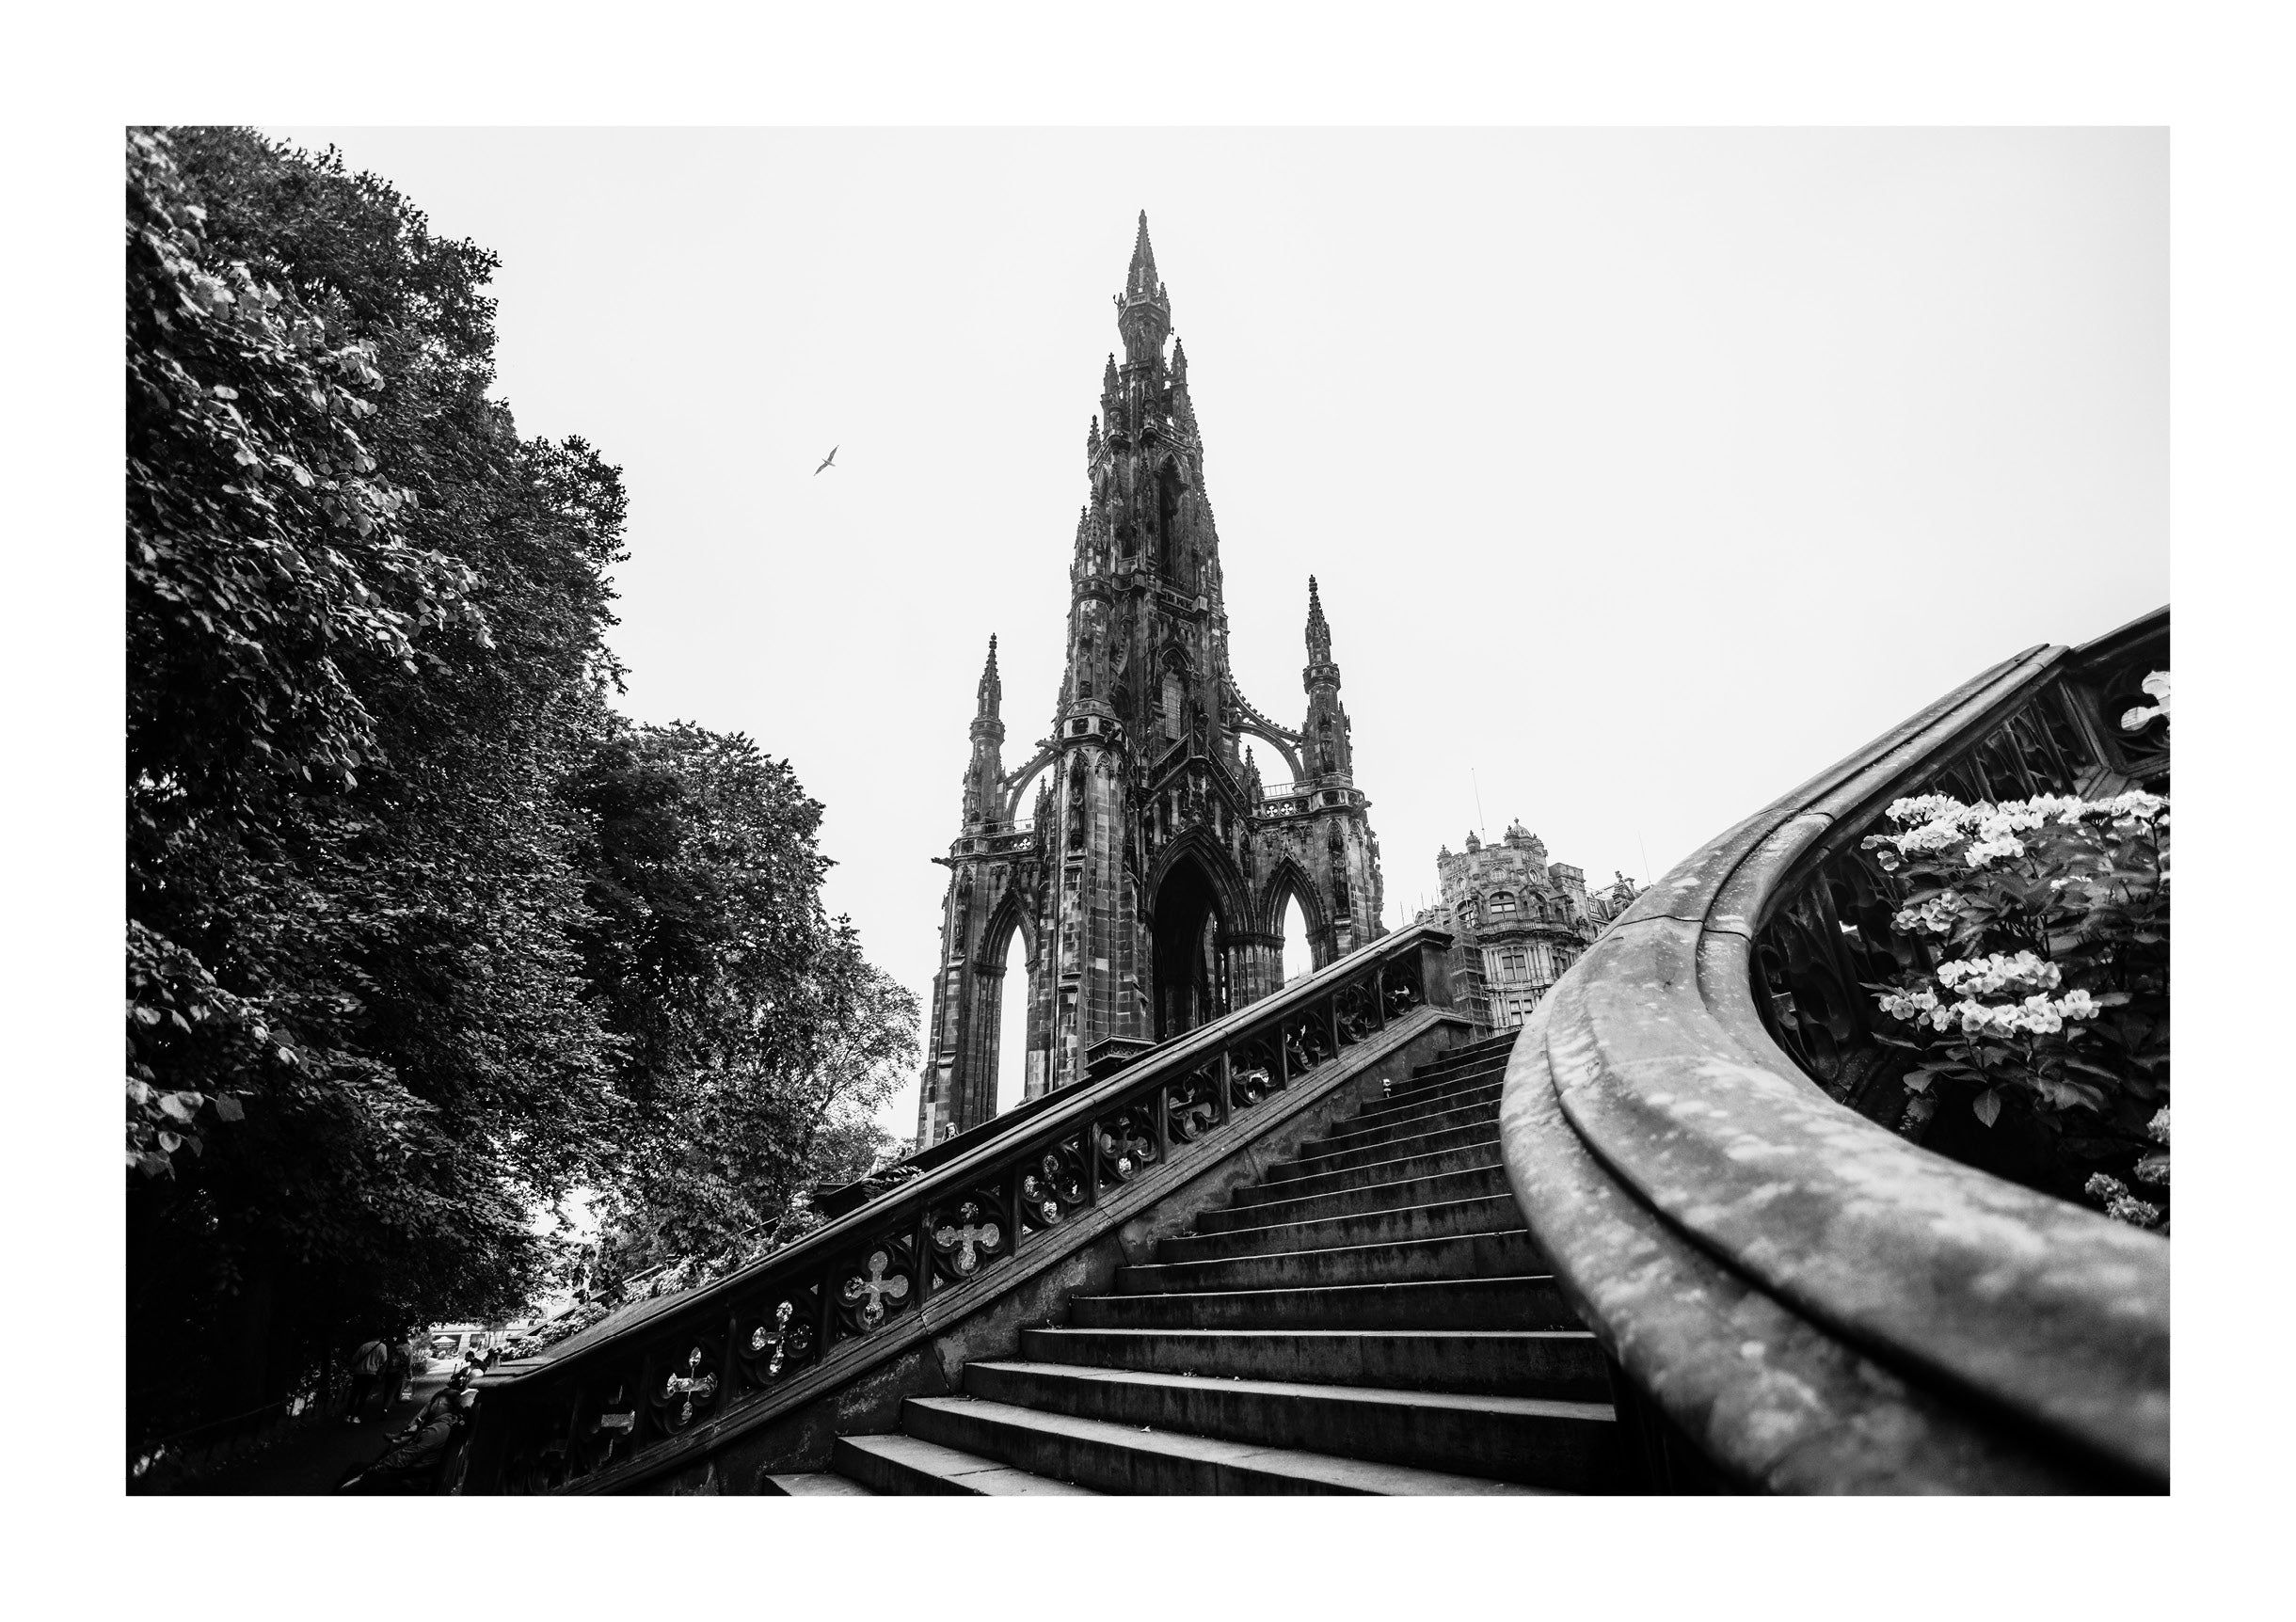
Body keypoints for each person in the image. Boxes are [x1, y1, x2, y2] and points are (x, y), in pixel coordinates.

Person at [345, 1335, 388, 1425]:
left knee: (354, 1394)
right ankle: (356, 1416)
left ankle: (348, 1415)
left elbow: (354, 1359)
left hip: (359, 1373)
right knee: (363, 1395)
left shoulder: (364, 1345)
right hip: (371, 1374)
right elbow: (384, 1361)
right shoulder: (382, 1347)